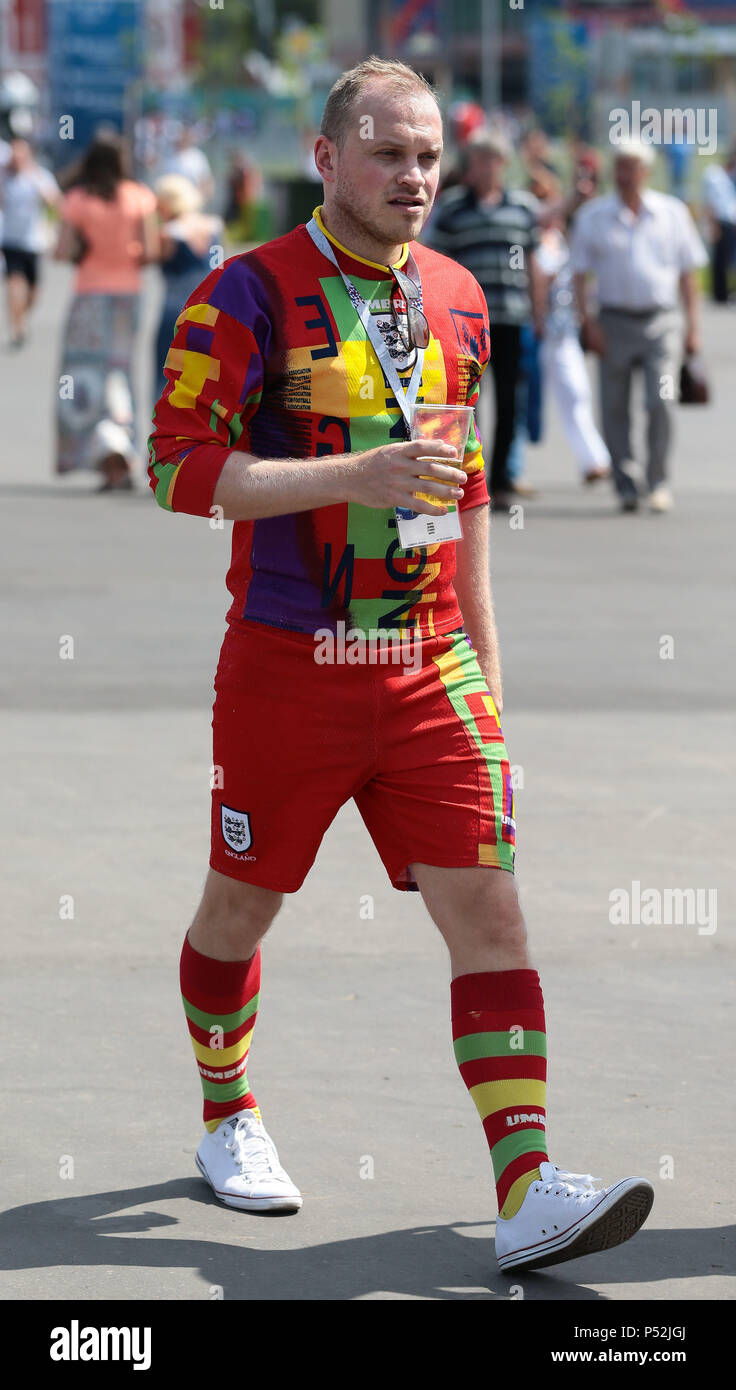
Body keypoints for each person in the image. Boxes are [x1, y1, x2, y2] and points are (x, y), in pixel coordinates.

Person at [147, 57, 654, 1275]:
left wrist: (487, 682)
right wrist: (347, 477)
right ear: (326, 160)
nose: (414, 175)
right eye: (387, 153)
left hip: (431, 667)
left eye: (426, 154)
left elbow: (465, 492)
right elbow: (172, 469)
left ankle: (528, 1188)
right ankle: (227, 1110)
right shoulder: (243, 292)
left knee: (489, 907)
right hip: (289, 662)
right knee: (242, 904)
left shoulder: (459, 293)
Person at [570, 138, 707, 513]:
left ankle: (659, 480)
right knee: (614, 406)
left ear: (646, 171)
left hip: (661, 324)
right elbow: (579, 275)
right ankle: (626, 482)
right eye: (620, 166)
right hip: (613, 322)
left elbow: (688, 276)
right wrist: (588, 323)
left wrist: (693, 328)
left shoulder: (671, 213)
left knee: (661, 398)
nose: (626, 174)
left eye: (633, 166)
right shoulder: (594, 216)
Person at [427, 128, 546, 511]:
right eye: (478, 160)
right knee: (464, 403)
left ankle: (502, 480)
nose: (485, 168)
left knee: (511, 401)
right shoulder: (452, 209)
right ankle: (461, 480)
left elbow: (534, 264)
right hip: (464, 326)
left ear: (504, 164)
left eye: (493, 160)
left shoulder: (522, 208)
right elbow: (436, 265)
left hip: (511, 320)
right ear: (469, 165)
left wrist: (538, 311)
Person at [53, 135, 159, 490]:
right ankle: (123, 450)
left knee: (84, 374)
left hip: (89, 294)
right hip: (128, 295)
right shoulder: (139, 196)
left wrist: (88, 250)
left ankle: (100, 455)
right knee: (121, 372)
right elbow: (150, 250)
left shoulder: (79, 200)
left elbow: (62, 251)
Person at [536, 209, 611, 482]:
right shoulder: (529, 241)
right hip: (537, 332)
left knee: (576, 394)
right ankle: (511, 470)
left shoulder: (561, 239)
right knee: (527, 404)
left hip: (563, 331)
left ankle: (595, 460)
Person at [153, 173, 223, 396]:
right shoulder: (214, 226)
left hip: (176, 307)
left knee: (166, 374)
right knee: (205, 375)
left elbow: (152, 257)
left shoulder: (169, 232)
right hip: (211, 307)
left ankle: (161, 426)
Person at [0, 137, 59, 347]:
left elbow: (54, 203)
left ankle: (21, 316)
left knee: (33, 292)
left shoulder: (41, 176)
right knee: (14, 283)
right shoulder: (5, 177)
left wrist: (34, 181)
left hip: (33, 242)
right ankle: (18, 328)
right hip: (10, 240)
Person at [701, 147, 736, 304]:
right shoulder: (714, 175)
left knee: (729, 259)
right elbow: (710, 202)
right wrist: (712, 224)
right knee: (719, 260)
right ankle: (719, 294)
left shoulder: (732, 177)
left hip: (732, 221)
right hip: (721, 221)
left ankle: (727, 291)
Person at [163, 124, 214, 207]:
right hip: (171, 203)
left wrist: (203, 198)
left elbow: (206, 180)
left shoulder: (197, 157)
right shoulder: (167, 155)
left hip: (191, 202)